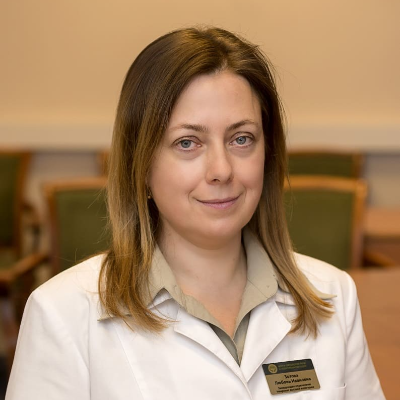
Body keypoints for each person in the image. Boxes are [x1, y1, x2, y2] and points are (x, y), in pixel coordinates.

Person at [6, 27, 385, 400]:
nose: (221, 170)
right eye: (187, 142)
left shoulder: (334, 296)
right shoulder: (63, 315)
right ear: (141, 165)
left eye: (241, 139)